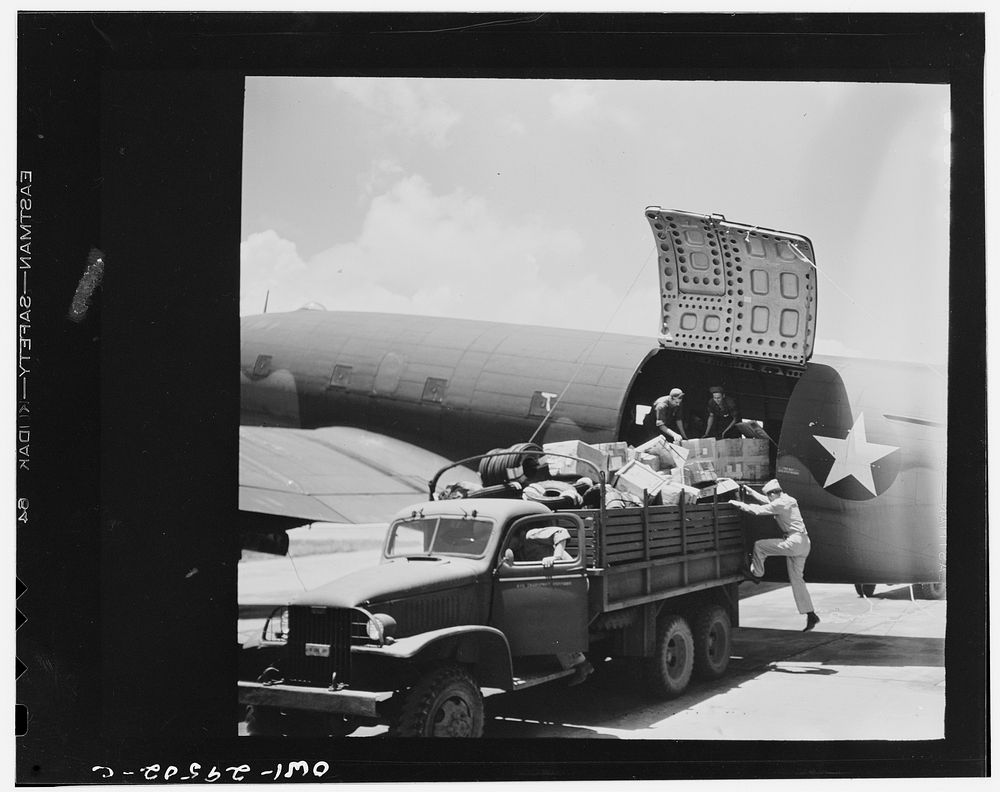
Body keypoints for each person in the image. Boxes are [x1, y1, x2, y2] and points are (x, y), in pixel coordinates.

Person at [505, 526, 594, 684]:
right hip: (556, 584)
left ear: (514, 534)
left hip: (571, 579)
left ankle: (582, 665)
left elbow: (560, 532)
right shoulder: (518, 549)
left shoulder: (530, 535)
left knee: (550, 621)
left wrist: (556, 557)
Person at [729, 479, 820, 632]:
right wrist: (752, 493)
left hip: (794, 541)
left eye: (769, 495)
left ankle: (757, 574)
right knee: (797, 580)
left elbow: (759, 510)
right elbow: (769, 502)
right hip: (804, 542)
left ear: (773, 493)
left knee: (760, 546)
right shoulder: (787, 499)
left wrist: (738, 504)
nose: (769, 498)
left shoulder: (780, 503)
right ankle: (811, 614)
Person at [703, 386, 773, 441]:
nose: (716, 400)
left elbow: (735, 419)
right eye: (715, 398)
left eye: (718, 398)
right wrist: (707, 432)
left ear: (723, 396)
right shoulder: (711, 402)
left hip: (733, 423)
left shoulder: (731, 403)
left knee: (732, 437)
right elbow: (711, 416)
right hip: (721, 421)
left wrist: (725, 432)